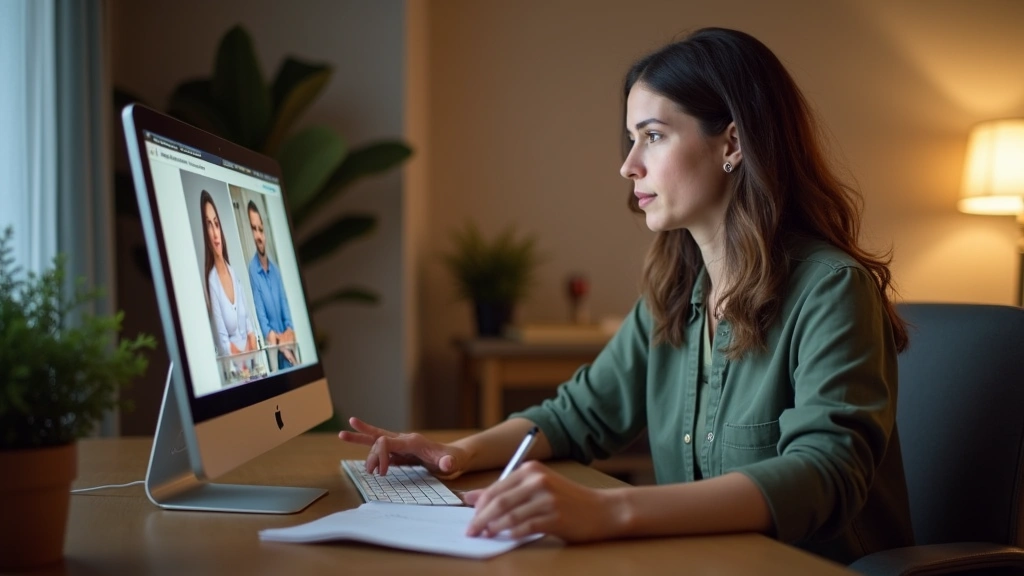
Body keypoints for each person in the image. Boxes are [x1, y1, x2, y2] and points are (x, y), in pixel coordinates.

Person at [338, 27, 915, 565]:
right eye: (632, 138)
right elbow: (577, 416)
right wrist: (454, 455)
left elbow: (825, 473)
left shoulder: (831, 290)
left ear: (732, 143)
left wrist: (610, 510)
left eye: (654, 137)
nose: (627, 164)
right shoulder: (675, 295)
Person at [200, 190, 258, 372]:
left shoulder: (233, 272)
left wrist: (253, 352)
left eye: (216, 224)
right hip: (239, 373)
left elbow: (249, 325)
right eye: (209, 225)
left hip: (254, 366)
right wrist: (244, 363)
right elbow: (225, 343)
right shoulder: (212, 282)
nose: (215, 233)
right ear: (205, 233)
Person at [246, 200, 298, 369]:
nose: (258, 236)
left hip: (291, 350)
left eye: (260, 229)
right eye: (254, 229)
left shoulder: (276, 270)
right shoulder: (252, 271)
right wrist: (281, 343)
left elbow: (287, 316)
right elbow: (264, 324)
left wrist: (287, 336)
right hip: (276, 359)